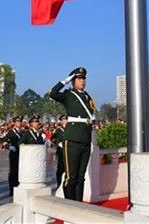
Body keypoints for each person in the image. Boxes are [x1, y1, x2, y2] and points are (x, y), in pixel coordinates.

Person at [49, 67, 96, 202]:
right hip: (73, 138)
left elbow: (91, 114)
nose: (83, 81)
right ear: (73, 80)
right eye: (79, 79)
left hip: (85, 139)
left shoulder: (87, 96)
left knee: (81, 177)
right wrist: (65, 80)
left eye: (83, 79)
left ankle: (78, 205)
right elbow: (52, 93)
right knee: (71, 176)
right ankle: (69, 205)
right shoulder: (68, 95)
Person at [1, 115, 23, 196]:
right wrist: (9, 146)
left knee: (19, 171)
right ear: (14, 123)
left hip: (21, 154)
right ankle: (12, 189)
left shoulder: (22, 132)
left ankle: (18, 187)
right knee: (13, 172)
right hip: (14, 153)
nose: (19, 123)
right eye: (18, 122)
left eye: (20, 121)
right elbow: (3, 140)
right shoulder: (11, 132)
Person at [52, 115, 67, 190]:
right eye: (63, 120)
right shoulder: (58, 130)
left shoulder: (70, 129)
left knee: (67, 168)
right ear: (61, 121)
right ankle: (59, 184)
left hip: (68, 150)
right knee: (60, 168)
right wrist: (58, 142)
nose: (65, 121)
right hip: (61, 151)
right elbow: (53, 138)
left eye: (65, 119)